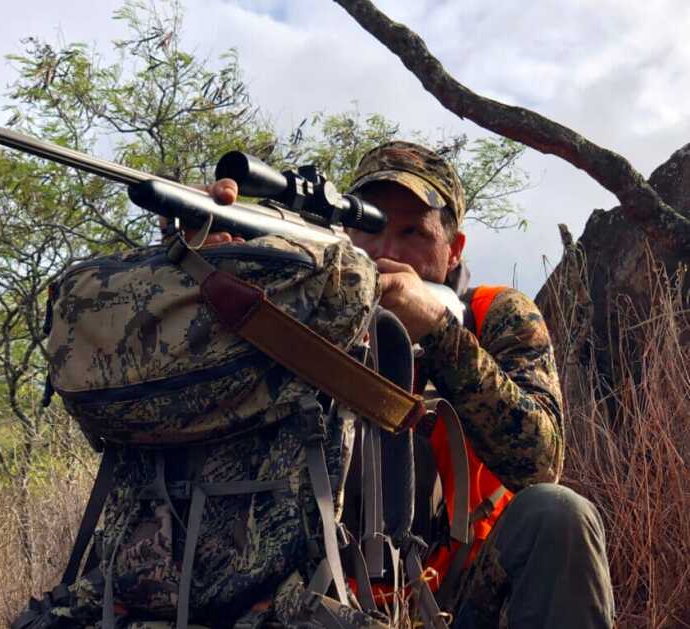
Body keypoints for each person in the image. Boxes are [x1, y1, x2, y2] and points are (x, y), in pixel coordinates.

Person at [205, 141, 615, 629]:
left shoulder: (493, 315)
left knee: (558, 513)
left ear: (454, 249)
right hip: (310, 594)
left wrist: (439, 333)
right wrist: (200, 282)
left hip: (458, 596)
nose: (385, 254)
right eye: (369, 229)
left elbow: (540, 463)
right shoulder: (293, 310)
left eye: (413, 233)